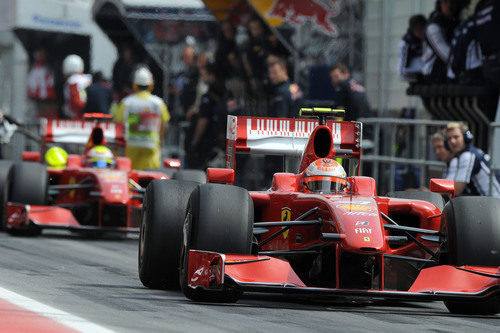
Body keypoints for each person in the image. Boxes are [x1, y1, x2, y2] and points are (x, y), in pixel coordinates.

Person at [114, 67, 170, 170]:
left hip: (131, 146)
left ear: (134, 85)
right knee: (149, 178)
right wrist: (159, 142)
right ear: (151, 85)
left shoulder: (126, 103)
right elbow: (164, 124)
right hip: (151, 146)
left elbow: (118, 124)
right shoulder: (158, 103)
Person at [444, 122, 500, 197]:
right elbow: (449, 184)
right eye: (449, 139)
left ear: (466, 138)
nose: (452, 141)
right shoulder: (456, 158)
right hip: (484, 202)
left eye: (456, 137)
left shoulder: (468, 155)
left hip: (494, 203)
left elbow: (456, 190)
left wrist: (435, 192)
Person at [189, 63, 227, 169]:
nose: (201, 78)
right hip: (219, 139)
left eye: (203, 75)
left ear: (211, 76)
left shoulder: (210, 96)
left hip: (209, 141)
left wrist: (194, 142)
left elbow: (203, 120)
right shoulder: (225, 93)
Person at [422, 0, 461, 83]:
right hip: (434, 76)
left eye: (452, 2)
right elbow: (446, 54)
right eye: (445, 2)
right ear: (439, 4)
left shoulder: (458, 23)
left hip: (452, 72)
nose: (449, 6)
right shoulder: (433, 27)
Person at [398, 15, 427, 82]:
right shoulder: (406, 42)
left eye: (421, 29)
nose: (420, 32)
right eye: (417, 29)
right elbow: (401, 71)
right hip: (414, 74)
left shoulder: (429, 38)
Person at [62, 54, 92, 119]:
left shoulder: (72, 81)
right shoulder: (88, 78)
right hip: (90, 112)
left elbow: (75, 102)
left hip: (77, 116)